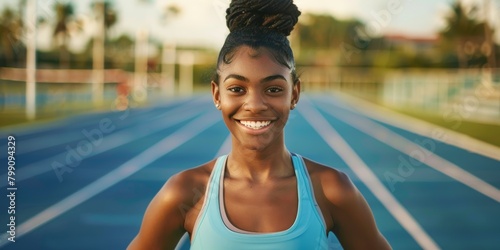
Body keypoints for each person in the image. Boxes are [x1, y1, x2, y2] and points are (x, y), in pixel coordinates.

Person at [128, 0, 391, 249]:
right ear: (217, 94)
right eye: (237, 88)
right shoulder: (184, 193)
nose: (255, 104)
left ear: (295, 94)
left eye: (274, 88)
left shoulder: (330, 190)